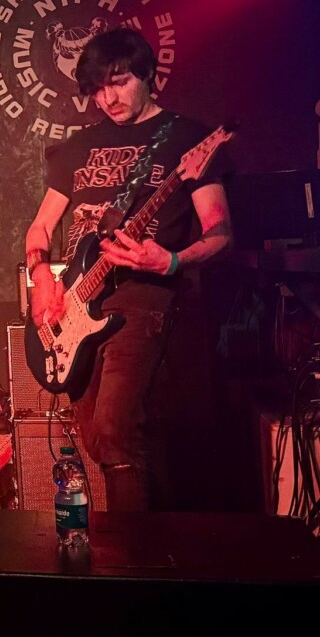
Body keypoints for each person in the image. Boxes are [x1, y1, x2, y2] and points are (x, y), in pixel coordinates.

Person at [24, 27, 233, 512]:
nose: (108, 99)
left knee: (115, 427)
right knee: (97, 440)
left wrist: (172, 259)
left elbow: (221, 233)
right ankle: (150, 535)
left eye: (119, 83)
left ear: (147, 73)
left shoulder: (188, 139)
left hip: (142, 295)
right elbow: (40, 227)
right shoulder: (77, 147)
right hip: (77, 301)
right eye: (98, 89)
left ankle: (131, 554)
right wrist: (41, 278)